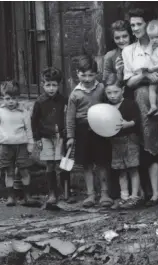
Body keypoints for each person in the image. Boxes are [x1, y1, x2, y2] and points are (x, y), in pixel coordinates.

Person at [122, 8, 158, 206]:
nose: (136, 28)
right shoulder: (129, 51)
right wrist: (145, 75)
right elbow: (129, 82)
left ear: (149, 25)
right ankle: (154, 193)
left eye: (139, 24)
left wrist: (156, 76)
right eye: (133, 25)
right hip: (142, 100)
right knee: (148, 146)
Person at [66, 55, 112, 208]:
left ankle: (104, 193)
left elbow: (108, 107)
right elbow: (70, 117)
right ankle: (90, 195)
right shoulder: (75, 94)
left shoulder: (101, 89)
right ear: (77, 73)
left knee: (102, 162)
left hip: (99, 129)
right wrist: (71, 136)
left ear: (96, 74)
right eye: (83, 75)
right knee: (86, 164)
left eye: (91, 75)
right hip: (83, 131)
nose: (87, 78)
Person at [0, 80, 35, 206]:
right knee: (9, 171)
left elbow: (28, 130)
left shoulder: (24, 113)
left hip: (21, 145)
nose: (11, 101)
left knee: (24, 170)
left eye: (14, 98)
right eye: (7, 98)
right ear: (3, 97)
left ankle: (27, 196)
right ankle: (11, 196)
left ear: (18, 98)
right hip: (6, 146)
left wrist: (30, 144)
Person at [31, 67, 68, 205]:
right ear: (42, 84)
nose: (51, 88)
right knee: (50, 164)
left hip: (60, 137)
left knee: (62, 164)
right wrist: (37, 139)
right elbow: (34, 121)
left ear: (59, 85)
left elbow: (67, 117)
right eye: (48, 85)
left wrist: (68, 135)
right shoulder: (39, 102)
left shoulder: (64, 100)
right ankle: (52, 192)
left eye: (54, 85)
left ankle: (64, 191)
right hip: (45, 137)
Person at [105, 83, 142, 209]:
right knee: (121, 170)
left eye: (115, 92)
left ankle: (134, 197)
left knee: (133, 168)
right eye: (109, 93)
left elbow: (137, 120)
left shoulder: (130, 104)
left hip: (130, 140)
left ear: (122, 90)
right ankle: (124, 196)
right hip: (115, 141)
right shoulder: (107, 106)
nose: (112, 96)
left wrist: (129, 124)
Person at [103, 20, 134, 97]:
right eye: (117, 38)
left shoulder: (139, 51)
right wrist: (118, 73)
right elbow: (106, 83)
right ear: (113, 39)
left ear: (130, 35)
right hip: (119, 94)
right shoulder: (110, 56)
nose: (121, 40)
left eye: (125, 36)